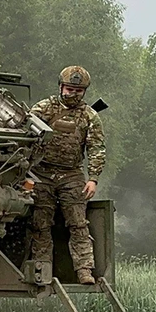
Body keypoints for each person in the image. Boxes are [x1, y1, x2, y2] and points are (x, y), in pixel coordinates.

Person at [28, 66, 106, 285]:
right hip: (41, 173)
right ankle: (41, 271)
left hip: (71, 176)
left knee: (78, 224)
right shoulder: (44, 108)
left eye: (78, 91)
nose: (73, 94)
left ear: (84, 92)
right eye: (69, 89)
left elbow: (96, 148)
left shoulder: (89, 116)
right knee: (40, 224)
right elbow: (26, 134)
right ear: (61, 87)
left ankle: (84, 270)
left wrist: (93, 178)